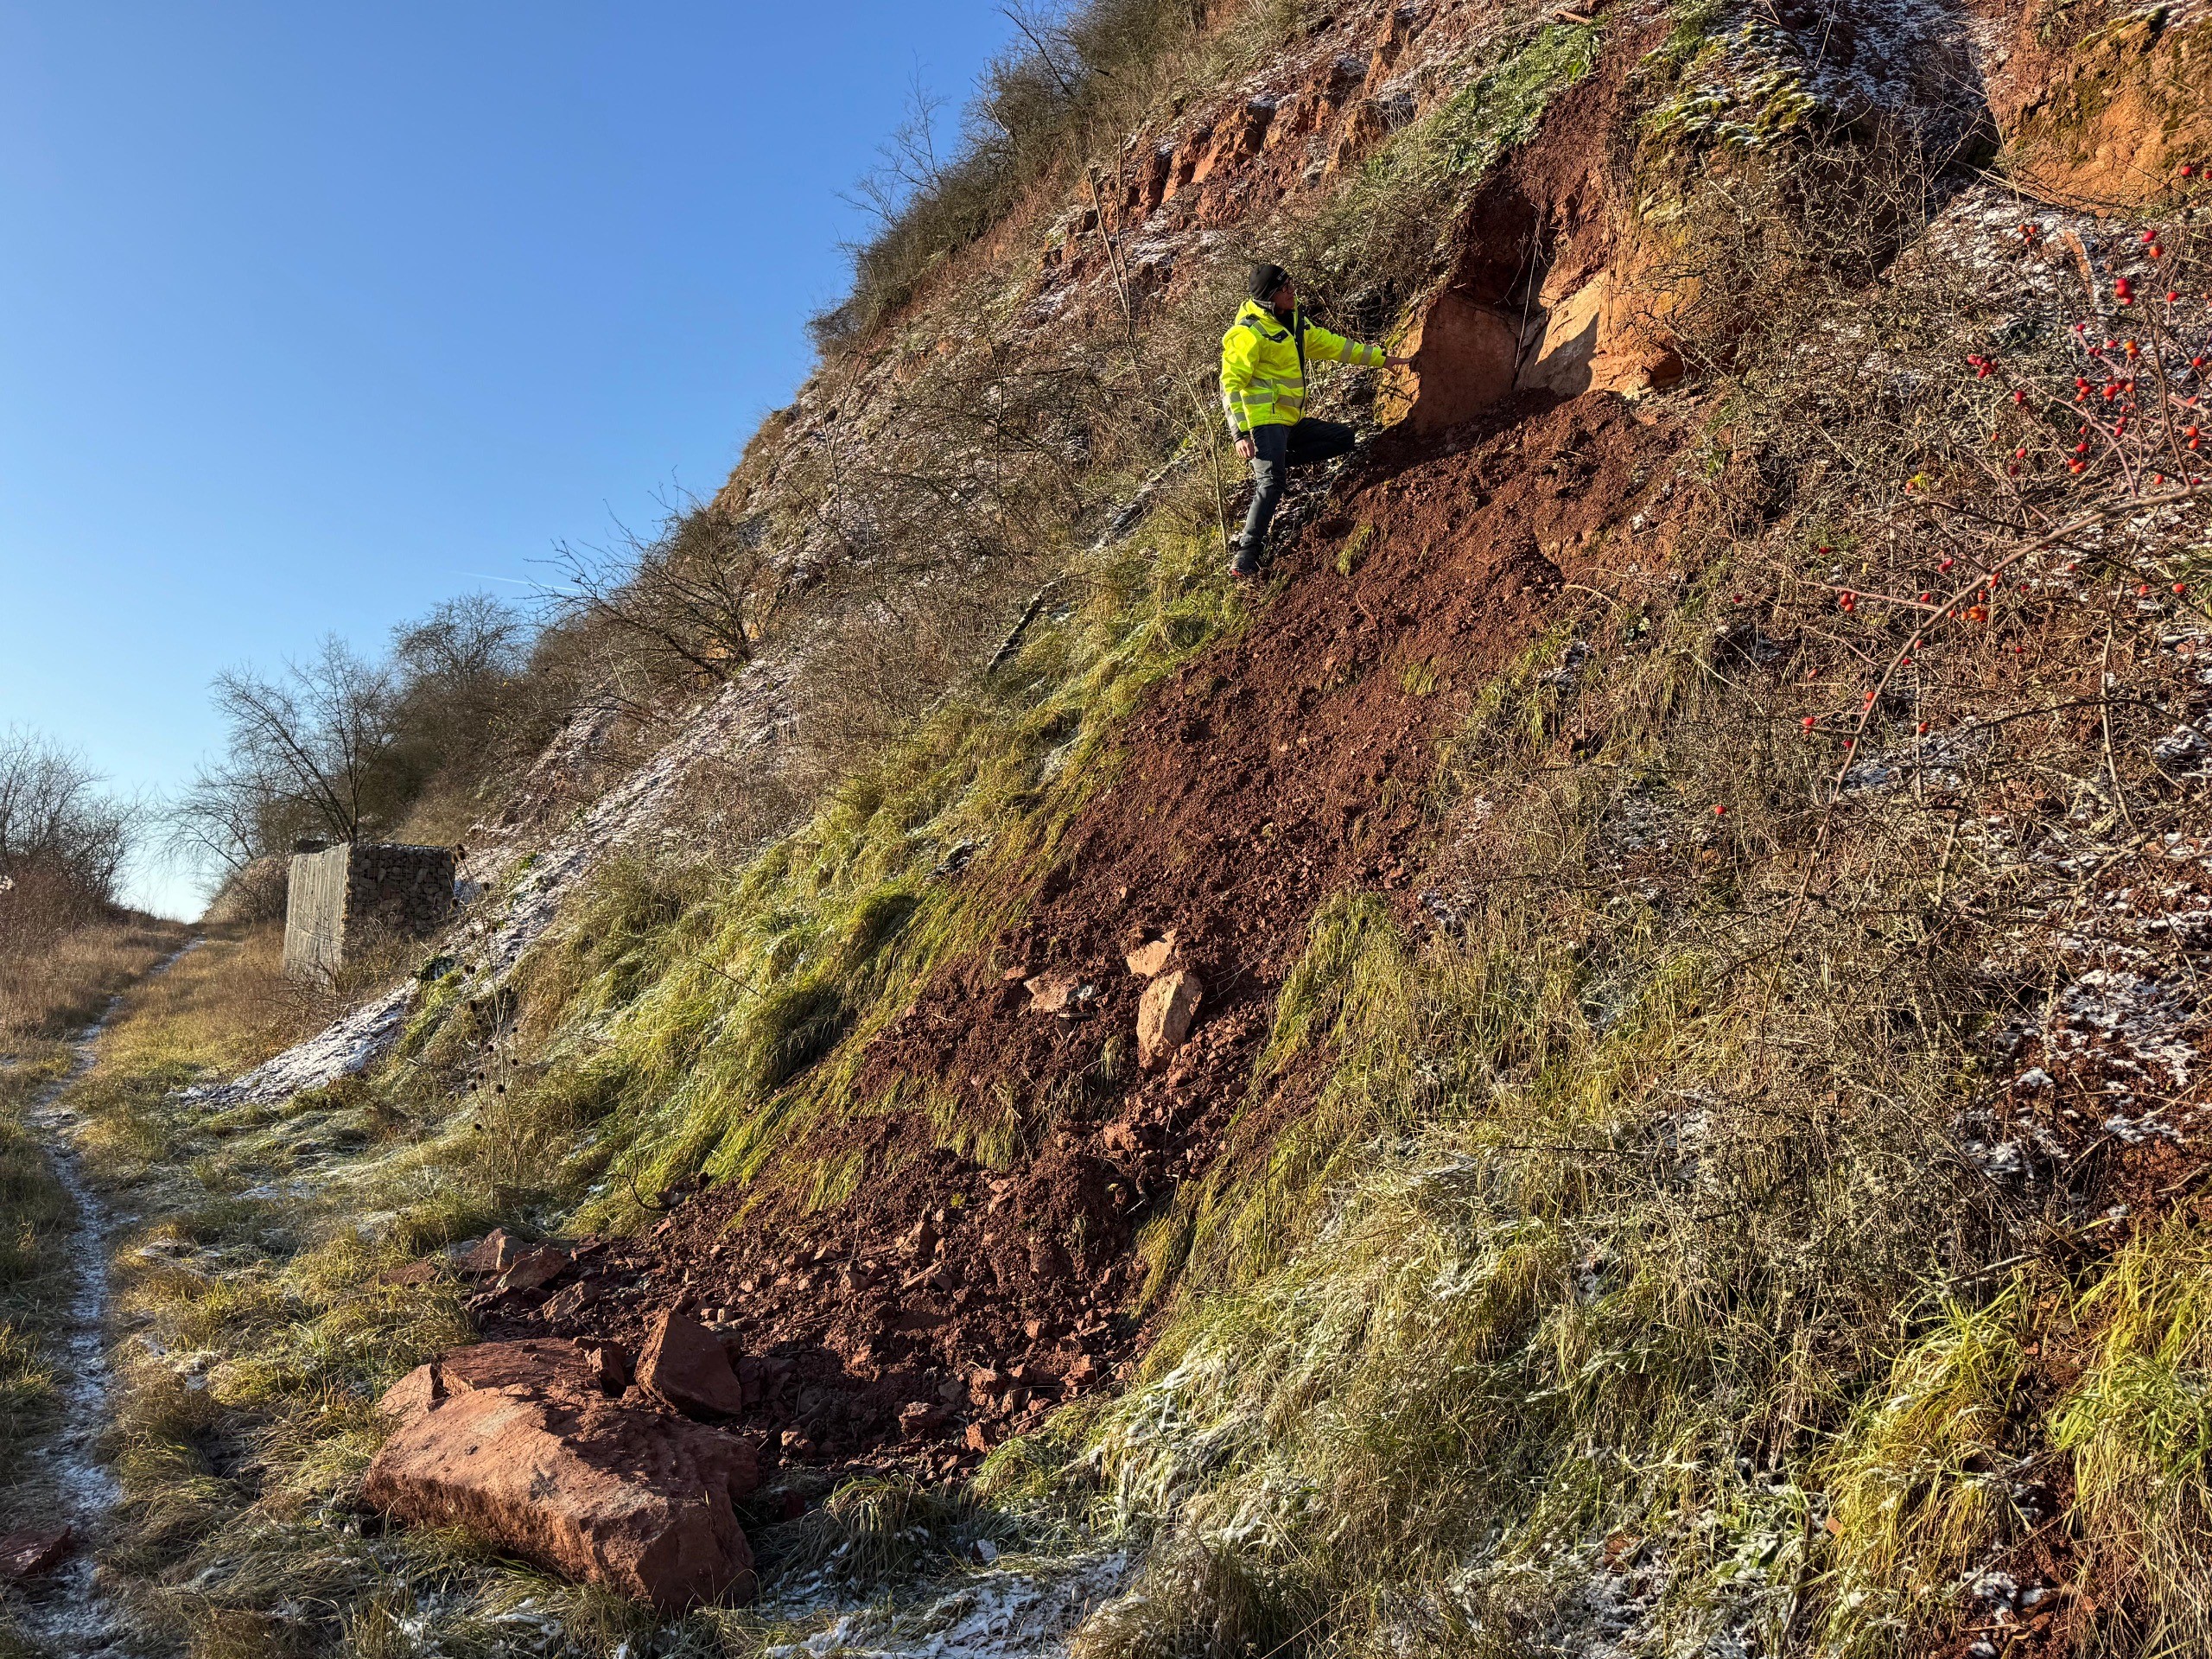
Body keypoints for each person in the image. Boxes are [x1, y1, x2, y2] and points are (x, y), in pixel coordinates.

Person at [1219, 262, 1409, 579]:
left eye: (1290, 283)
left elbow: (1335, 346)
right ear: (1268, 296)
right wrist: (1239, 433)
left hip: (1290, 422)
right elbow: (1229, 386)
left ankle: (1274, 461)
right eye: (1283, 288)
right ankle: (1246, 555)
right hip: (1265, 422)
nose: (1291, 290)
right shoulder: (1248, 333)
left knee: (1344, 439)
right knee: (1271, 483)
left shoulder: (1295, 324)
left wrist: (1382, 359)